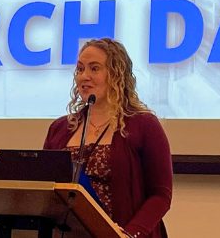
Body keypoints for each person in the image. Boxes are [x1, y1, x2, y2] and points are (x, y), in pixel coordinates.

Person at [43, 38, 172, 238]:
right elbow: (47, 189)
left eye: (94, 69)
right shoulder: (59, 129)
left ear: (116, 75)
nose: (84, 76)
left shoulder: (144, 125)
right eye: (79, 69)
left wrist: (129, 234)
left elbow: (161, 195)